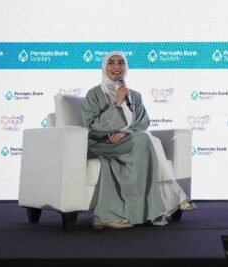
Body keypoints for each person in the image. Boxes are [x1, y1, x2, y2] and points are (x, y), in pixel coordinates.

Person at [81, 52, 196, 229]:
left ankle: (144, 208)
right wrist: (117, 103)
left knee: (147, 138)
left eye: (121, 63)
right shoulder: (94, 94)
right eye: (111, 63)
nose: (116, 67)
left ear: (126, 67)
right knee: (146, 139)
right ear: (103, 67)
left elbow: (143, 122)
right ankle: (175, 195)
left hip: (127, 141)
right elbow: (91, 127)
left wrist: (125, 133)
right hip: (102, 144)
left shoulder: (134, 95)